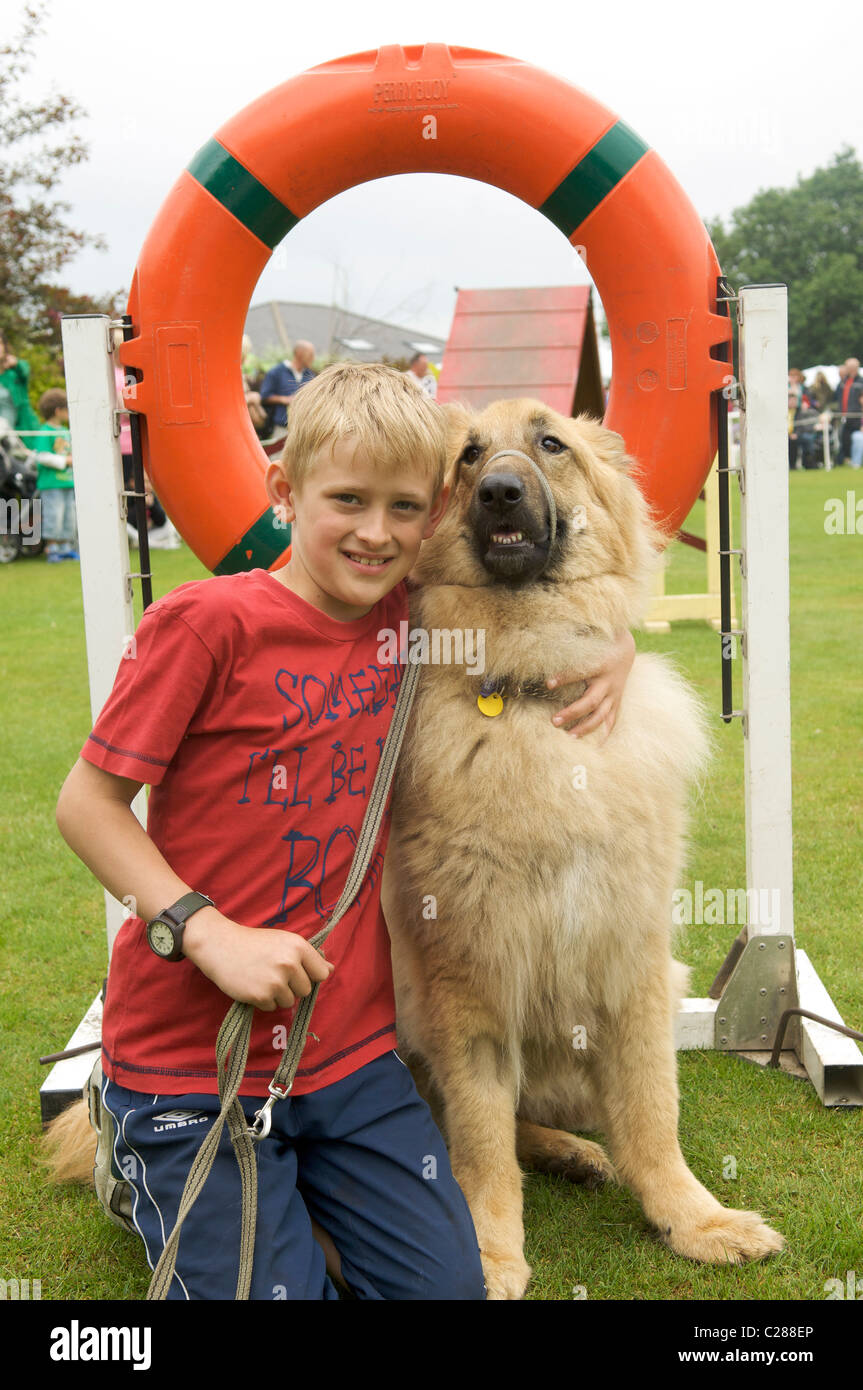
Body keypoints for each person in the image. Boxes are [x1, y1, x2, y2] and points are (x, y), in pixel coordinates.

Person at [54, 363, 635, 1301]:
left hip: (348, 1058)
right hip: (199, 1059)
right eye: (348, 501)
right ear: (284, 489)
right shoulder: (206, 622)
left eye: (406, 508)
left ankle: (291, 1190)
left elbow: (532, 615)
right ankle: (141, 1158)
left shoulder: (413, 625)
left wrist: (615, 645)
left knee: (449, 1292)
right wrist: (209, 933)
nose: (376, 533)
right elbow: (85, 804)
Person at [36, 388, 79, 562]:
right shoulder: (45, 430)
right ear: (58, 410)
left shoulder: (65, 430)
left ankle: (65, 547)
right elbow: (42, 456)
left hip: (67, 482)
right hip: (51, 483)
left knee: (69, 516)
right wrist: (65, 461)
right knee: (55, 515)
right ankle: (52, 548)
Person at [259, 340, 316, 435]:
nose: (313, 358)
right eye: (311, 355)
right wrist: (284, 399)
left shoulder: (310, 376)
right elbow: (264, 396)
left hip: (303, 431)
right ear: (299, 353)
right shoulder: (276, 372)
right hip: (281, 428)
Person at [0, 329, 42, 445]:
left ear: (4, 346)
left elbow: (25, 371)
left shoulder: (15, 372)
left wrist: (16, 364)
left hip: (23, 430)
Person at [833, 357, 863, 466]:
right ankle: (846, 459)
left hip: (856, 416)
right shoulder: (843, 382)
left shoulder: (861, 382)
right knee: (844, 439)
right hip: (844, 415)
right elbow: (836, 398)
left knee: (856, 439)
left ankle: (855, 460)